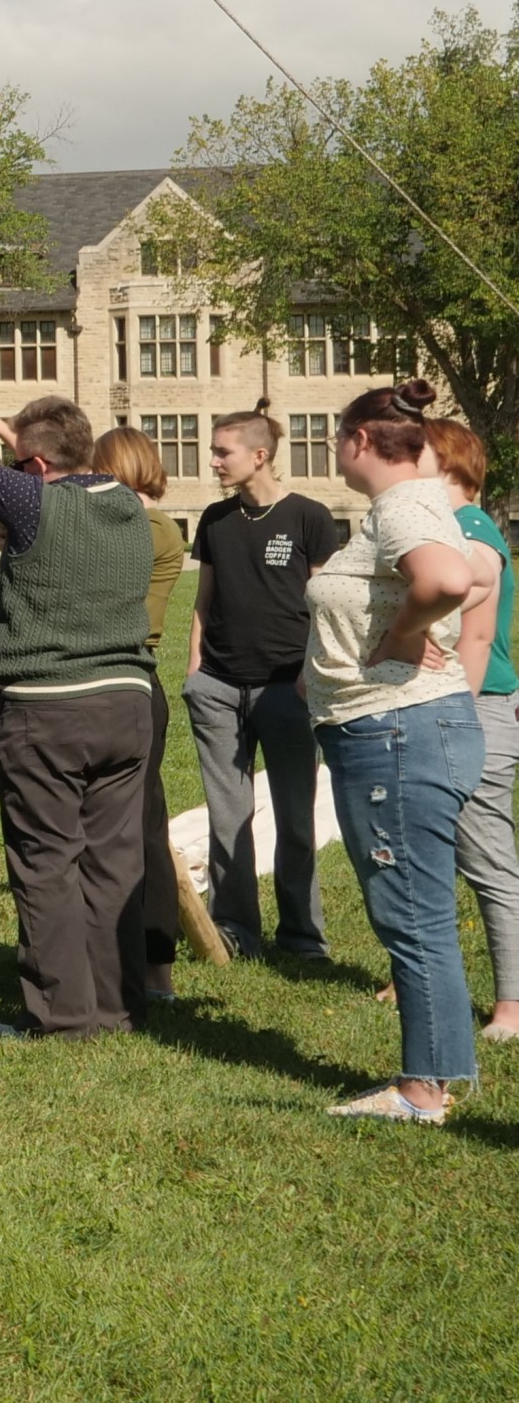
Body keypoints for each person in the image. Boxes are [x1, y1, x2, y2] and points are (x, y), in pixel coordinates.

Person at [0, 379, 158, 1037]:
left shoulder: (32, 507)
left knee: (47, 863)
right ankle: (117, 1007)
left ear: (33, 468)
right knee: (115, 863)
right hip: (128, 705)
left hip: (47, 708)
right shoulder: (130, 505)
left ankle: (63, 1015)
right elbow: (36, 465)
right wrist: (6, 429)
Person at [306, 382, 479, 1122]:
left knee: (413, 914)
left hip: (398, 732)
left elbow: (449, 578)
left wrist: (406, 636)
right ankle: (430, 1077)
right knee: (413, 910)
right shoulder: (412, 504)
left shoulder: (404, 504)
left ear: (359, 441)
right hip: (396, 728)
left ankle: (421, 1091)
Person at [183, 408, 338, 960]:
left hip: (285, 689)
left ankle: (302, 938)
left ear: (259, 455)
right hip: (219, 689)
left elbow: (326, 610)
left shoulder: (309, 517)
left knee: (295, 819)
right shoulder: (215, 519)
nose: (213, 461)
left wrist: (306, 675)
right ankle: (235, 932)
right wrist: (195, 671)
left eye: (222, 451)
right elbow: (203, 600)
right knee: (229, 820)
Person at [422, 420, 519, 1040]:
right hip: (438, 702)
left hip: (477, 706)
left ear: (450, 464)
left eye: (418, 454)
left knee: (487, 858)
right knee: (431, 850)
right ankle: (427, 972)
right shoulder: (436, 527)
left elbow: (476, 632)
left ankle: (512, 1002)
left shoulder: (472, 528)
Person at [91, 425, 187, 1003]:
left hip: (127, 677)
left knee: (142, 829)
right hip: (131, 680)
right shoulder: (148, 523)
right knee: (137, 825)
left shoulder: (144, 526)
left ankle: (153, 965)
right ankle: (140, 964)